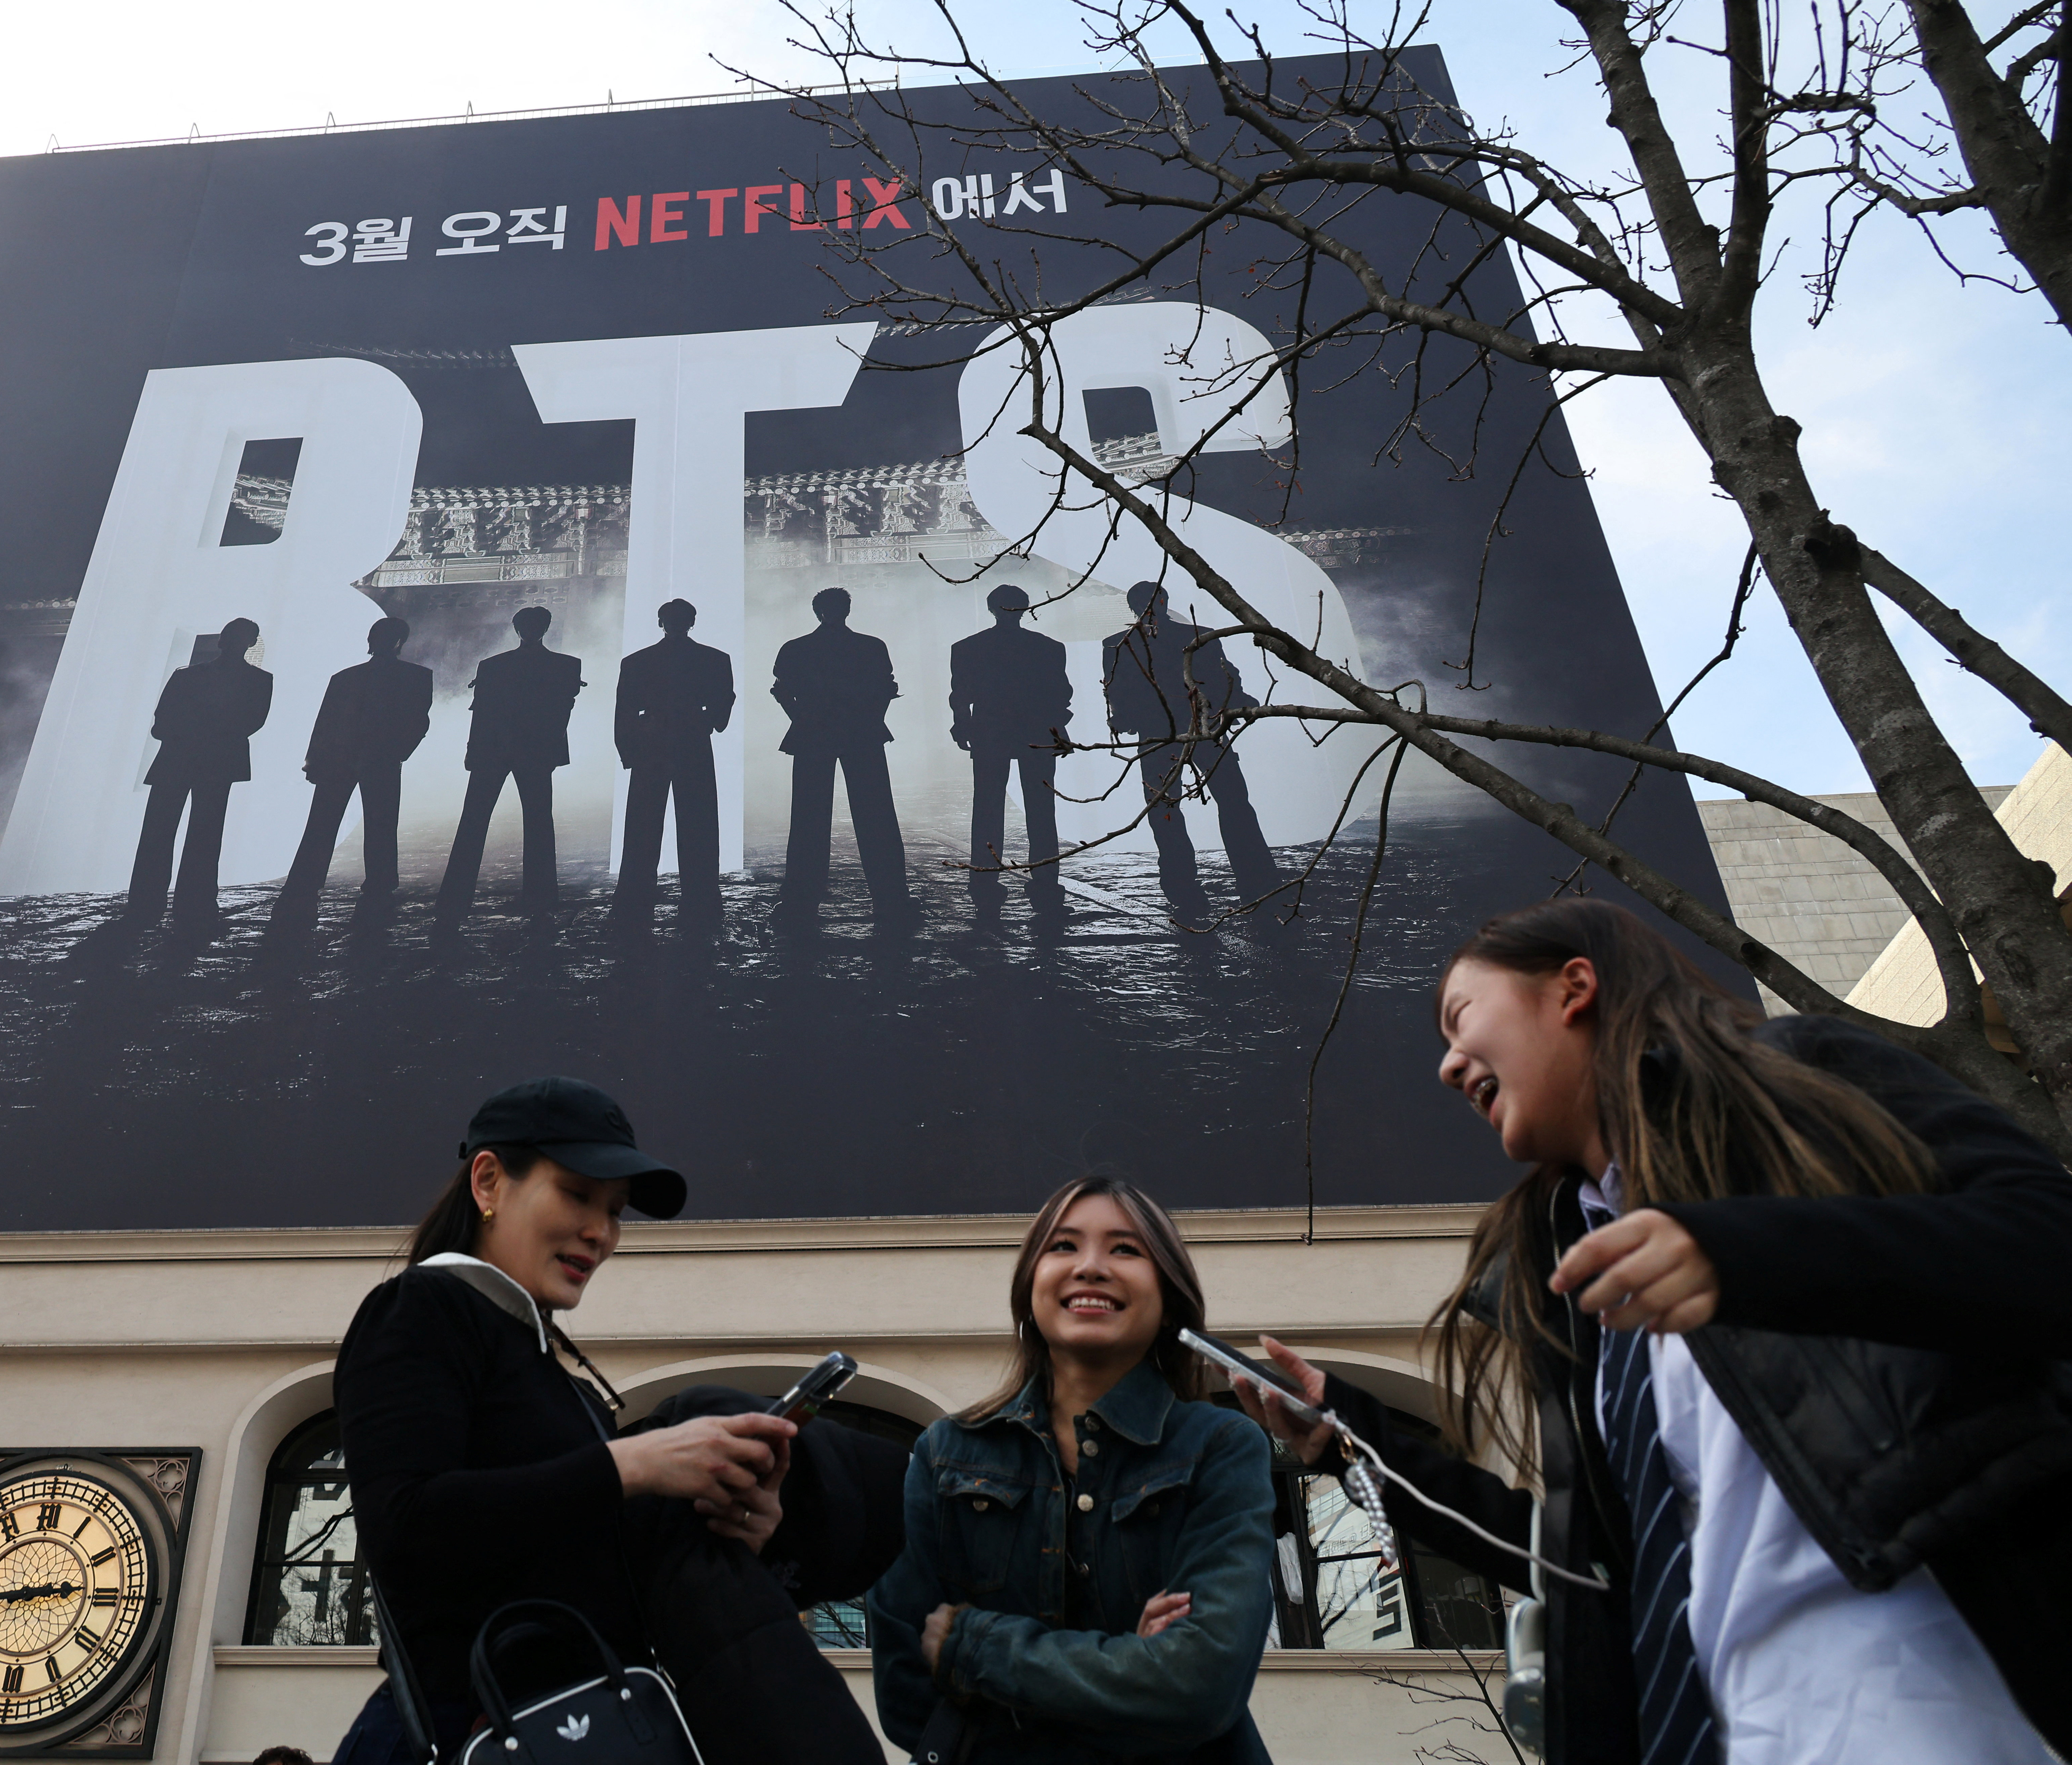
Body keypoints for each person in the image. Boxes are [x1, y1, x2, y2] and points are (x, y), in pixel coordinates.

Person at [1231, 899, 2072, 1765]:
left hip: (1929, 1711)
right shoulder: (1572, 1283)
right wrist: (1350, 1438)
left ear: (1574, 987)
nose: (1447, 1067)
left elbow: (2049, 1240)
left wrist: (1748, 1254)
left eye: (1460, 1018)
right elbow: (1586, 1570)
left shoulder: (1802, 1080)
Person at [332, 1077, 902, 1765]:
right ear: (488, 1180)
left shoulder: (547, 1367)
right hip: (470, 1730)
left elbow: (568, 1560)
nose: (600, 1233)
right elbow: (406, 1525)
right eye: (576, 1193)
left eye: (616, 1210)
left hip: (576, 1726)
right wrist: (635, 1464)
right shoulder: (421, 1308)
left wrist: (737, 1521)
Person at [869, 1175, 1277, 1764]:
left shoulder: (1220, 1446)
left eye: (1125, 1249)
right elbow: (907, 1699)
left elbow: (1198, 1688)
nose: (1090, 1267)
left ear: (1169, 1299)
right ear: (1029, 1291)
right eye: (1063, 1247)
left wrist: (972, 1646)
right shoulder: (944, 1453)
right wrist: (1132, 1670)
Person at [1101, 582, 1275, 909]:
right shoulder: (1199, 636)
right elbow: (1226, 679)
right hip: (1204, 730)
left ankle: (1179, 882)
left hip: (1156, 738)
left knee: (1165, 810)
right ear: (1166, 601)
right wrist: (1237, 706)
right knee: (1234, 803)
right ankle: (1256, 878)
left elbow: (1117, 693)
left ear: (1131, 608)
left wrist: (1124, 719)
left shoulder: (1116, 645)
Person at [265, 615, 431, 945]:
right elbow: (418, 722)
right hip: (381, 760)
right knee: (382, 825)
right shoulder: (416, 676)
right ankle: (380, 887)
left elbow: (324, 723)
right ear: (401, 643)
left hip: (338, 761)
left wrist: (314, 760)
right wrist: (397, 752)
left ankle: (305, 887)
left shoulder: (345, 678)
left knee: (321, 827)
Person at [772, 587, 914, 926]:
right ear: (847, 610)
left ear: (817, 612)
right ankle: (891, 897)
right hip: (862, 734)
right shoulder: (871, 647)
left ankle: (800, 899)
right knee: (876, 816)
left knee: (808, 819)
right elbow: (886, 690)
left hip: (811, 736)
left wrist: (801, 719)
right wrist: (871, 720)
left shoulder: (796, 649)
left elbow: (781, 692)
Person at [124, 616, 274, 932]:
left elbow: (162, 721)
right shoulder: (259, 681)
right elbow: (251, 722)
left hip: (179, 757)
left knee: (161, 833)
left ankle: (146, 901)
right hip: (217, 761)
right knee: (203, 835)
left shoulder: (187, 677)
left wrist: (189, 732)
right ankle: (195, 900)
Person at [436, 607, 583, 926]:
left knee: (475, 821)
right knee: (539, 822)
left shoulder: (493, 666)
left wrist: (473, 753)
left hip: (494, 751)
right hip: (534, 753)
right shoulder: (566, 666)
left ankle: (455, 896)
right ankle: (541, 896)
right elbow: (561, 713)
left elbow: (483, 715)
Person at [609, 598, 734, 932]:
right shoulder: (715, 659)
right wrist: (708, 719)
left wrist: (627, 751)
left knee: (641, 827)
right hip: (693, 741)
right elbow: (723, 708)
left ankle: (633, 900)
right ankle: (702, 899)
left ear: (659, 622)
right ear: (692, 622)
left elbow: (624, 711)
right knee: (700, 824)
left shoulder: (637, 662)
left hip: (651, 744)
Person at [949, 583, 1073, 911]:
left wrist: (962, 724)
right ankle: (1045, 881)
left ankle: (984, 878)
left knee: (987, 807)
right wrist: (1058, 728)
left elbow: (960, 695)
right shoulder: (1049, 648)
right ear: (1025, 609)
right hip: (1037, 733)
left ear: (990, 609)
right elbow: (1061, 695)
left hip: (990, 733)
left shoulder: (967, 648)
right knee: (1042, 809)